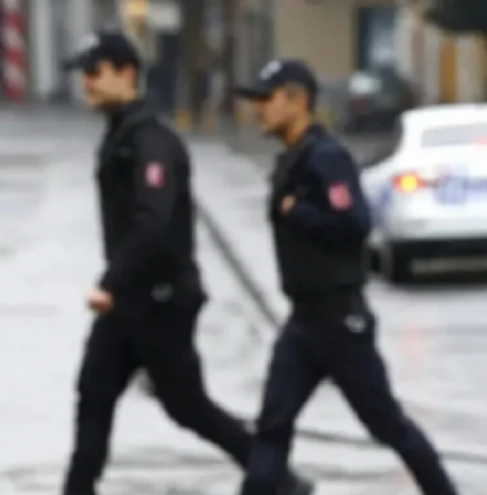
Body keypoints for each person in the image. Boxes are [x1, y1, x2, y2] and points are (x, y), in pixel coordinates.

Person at [59, 31, 311, 495]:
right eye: (84, 75)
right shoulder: (122, 134)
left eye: (95, 73)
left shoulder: (151, 142)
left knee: (187, 407)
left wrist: (110, 283)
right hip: (130, 302)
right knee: (93, 396)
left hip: (159, 302)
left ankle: (278, 478)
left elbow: (153, 223)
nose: (87, 84)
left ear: (126, 73)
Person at [232, 59, 458, 495]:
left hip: (340, 321)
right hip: (303, 322)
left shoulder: (325, 157)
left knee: (387, 424)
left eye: (266, 99)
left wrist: (299, 212)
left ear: (297, 100)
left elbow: (355, 222)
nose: (258, 109)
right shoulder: (291, 158)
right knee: (273, 425)